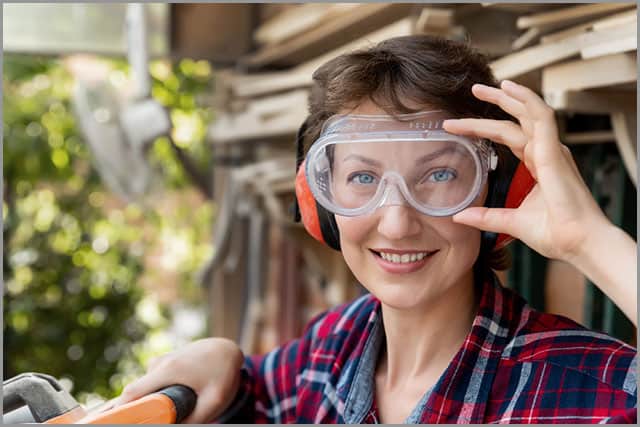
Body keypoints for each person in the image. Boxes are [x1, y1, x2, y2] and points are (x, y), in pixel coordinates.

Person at [113, 35, 637, 424]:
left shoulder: (585, 390)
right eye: (362, 177)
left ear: (497, 194)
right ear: (317, 200)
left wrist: (589, 239)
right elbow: (262, 395)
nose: (396, 221)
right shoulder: (328, 353)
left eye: (438, 175)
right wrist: (226, 361)